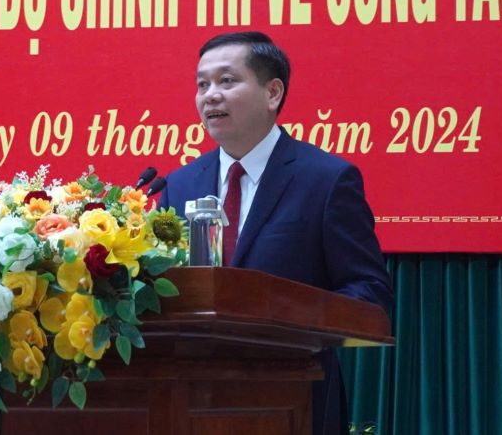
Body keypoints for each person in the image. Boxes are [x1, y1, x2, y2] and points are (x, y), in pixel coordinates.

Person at [158, 31, 392, 435]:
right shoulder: (179, 186)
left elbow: (368, 290)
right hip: (188, 399)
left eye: (227, 81)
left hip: (292, 398)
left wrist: (289, 317)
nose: (210, 95)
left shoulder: (326, 180)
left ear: (272, 92)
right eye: (202, 84)